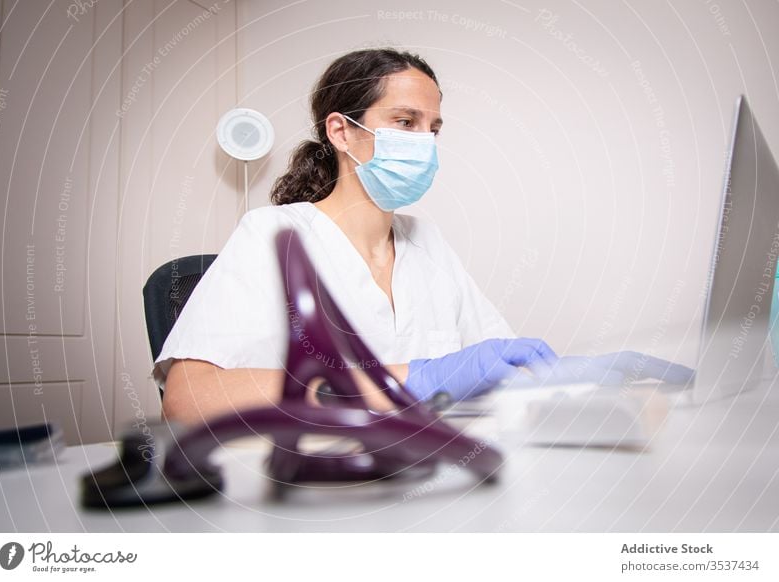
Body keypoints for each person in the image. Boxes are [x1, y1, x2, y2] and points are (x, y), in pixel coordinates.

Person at [156, 48, 692, 426]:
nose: (425, 142)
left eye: (433, 129)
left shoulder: (426, 241)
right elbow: (189, 398)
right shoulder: (274, 233)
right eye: (405, 121)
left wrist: (586, 382)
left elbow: (491, 365)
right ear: (341, 130)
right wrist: (414, 378)